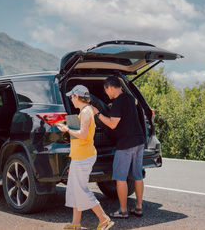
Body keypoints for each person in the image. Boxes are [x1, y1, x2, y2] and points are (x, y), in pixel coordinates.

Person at [56, 85, 114, 230]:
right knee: (75, 189)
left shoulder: (87, 112)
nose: (71, 99)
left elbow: (82, 134)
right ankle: (76, 223)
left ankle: (104, 219)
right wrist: (67, 126)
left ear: (77, 97)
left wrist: (67, 129)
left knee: (80, 189)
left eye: (71, 97)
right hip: (79, 154)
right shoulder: (84, 111)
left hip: (83, 156)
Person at [91, 76, 145, 219]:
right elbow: (133, 107)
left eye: (106, 90)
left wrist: (97, 113)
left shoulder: (118, 102)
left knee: (120, 178)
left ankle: (123, 210)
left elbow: (112, 124)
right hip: (139, 141)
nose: (107, 94)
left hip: (126, 145)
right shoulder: (128, 97)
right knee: (137, 176)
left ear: (110, 87)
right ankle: (139, 207)